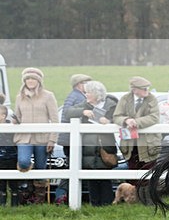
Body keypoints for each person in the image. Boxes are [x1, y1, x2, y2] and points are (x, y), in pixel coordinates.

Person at [64, 80, 118, 206]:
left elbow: (119, 117)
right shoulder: (85, 104)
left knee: (105, 176)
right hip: (88, 146)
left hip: (105, 145)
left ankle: (107, 204)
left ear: (96, 94)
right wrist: (82, 112)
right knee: (90, 176)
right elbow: (68, 112)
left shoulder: (112, 105)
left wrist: (109, 121)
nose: (86, 95)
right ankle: (94, 204)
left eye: (88, 93)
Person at [13, 67, 58, 204]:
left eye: (33, 78)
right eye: (28, 79)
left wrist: (52, 139)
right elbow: (18, 116)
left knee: (40, 167)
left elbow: (55, 119)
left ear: (38, 81)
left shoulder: (48, 96)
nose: (30, 81)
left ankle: (38, 198)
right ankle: (27, 189)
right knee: (24, 161)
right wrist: (14, 121)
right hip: (24, 137)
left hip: (42, 138)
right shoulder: (19, 97)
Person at [113, 76, 161, 171]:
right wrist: (126, 120)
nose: (147, 91)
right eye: (144, 89)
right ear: (134, 90)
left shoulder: (152, 99)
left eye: (147, 88)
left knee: (148, 173)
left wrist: (136, 122)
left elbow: (154, 117)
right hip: (130, 144)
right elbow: (116, 116)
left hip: (148, 144)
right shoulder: (125, 99)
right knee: (133, 173)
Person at [0, 104, 20, 206]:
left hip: (11, 157)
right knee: (1, 183)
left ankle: (15, 204)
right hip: (0, 159)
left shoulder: (11, 127)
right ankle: (2, 203)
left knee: (13, 182)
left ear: (3, 116)